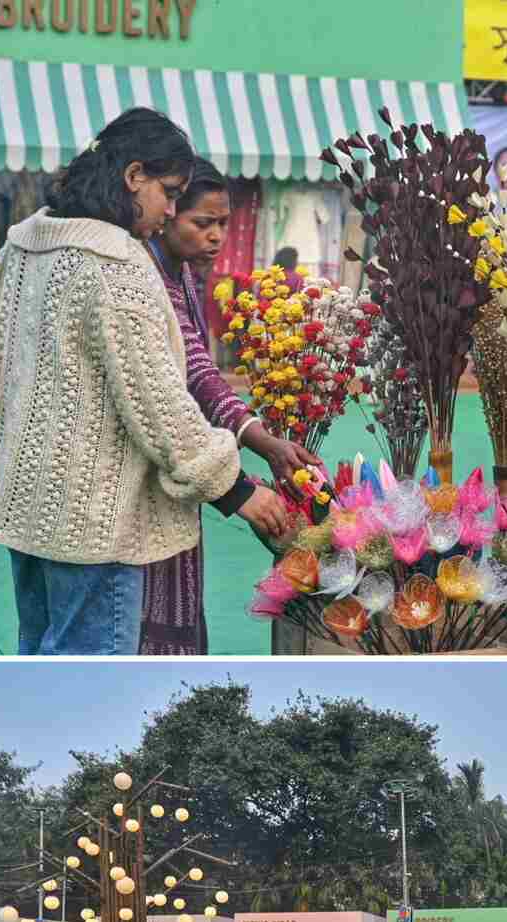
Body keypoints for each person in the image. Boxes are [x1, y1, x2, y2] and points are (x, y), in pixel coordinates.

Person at [0, 107, 288, 655]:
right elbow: (159, 401)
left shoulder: (23, 244)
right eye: (169, 192)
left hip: (23, 507)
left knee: (42, 663)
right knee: (88, 679)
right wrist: (236, 491)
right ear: (133, 176)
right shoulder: (115, 262)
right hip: (93, 526)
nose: (169, 211)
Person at [143, 159, 319, 654]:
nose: (217, 236)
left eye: (224, 224)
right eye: (203, 223)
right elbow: (189, 382)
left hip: (178, 473)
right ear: (165, 212)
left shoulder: (179, 275)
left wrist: (264, 442)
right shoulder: (147, 280)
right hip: (148, 478)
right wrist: (241, 480)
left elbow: (202, 375)